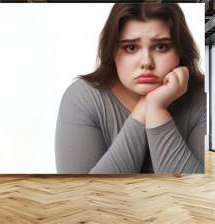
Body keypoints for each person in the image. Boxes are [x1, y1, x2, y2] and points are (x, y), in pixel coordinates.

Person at [55, 3, 206, 174]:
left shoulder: (202, 97)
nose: (146, 62)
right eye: (131, 47)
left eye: (161, 46)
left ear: (180, 51)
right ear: (112, 52)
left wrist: (157, 110)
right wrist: (145, 109)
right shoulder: (82, 97)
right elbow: (81, 196)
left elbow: (195, 195)